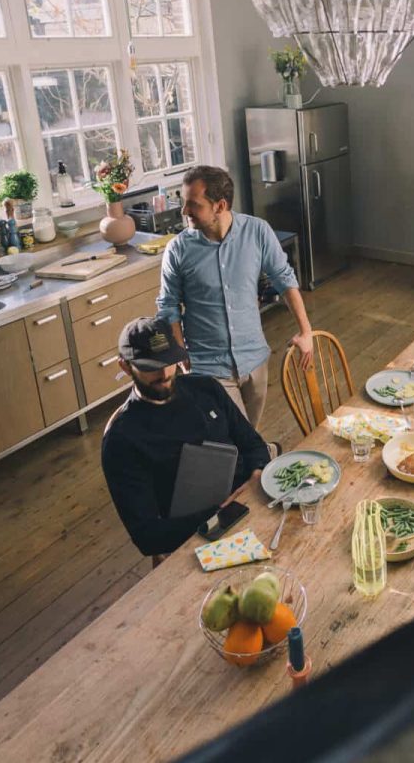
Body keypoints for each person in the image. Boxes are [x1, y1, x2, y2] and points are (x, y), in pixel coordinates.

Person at [156, 164, 315, 429]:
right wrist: (179, 350)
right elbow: (168, 306)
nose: (184, 212)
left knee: (247, 436)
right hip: (208, 366)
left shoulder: (257, 231)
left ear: (219, 206)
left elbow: (284, 279)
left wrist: (305, 330)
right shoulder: (178, 250)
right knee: (231, 440)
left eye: (193, 205)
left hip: (254, 359)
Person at [101, 316, 271, 558]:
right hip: (195, 537)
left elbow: (253, 444)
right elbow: (147, 536)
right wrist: (219, 512)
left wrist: (256, 475)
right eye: (151, 366)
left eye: (169, 361)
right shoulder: (122, 440)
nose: (164, 373)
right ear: (125, 366)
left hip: (250, 505)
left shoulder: (206, 388)